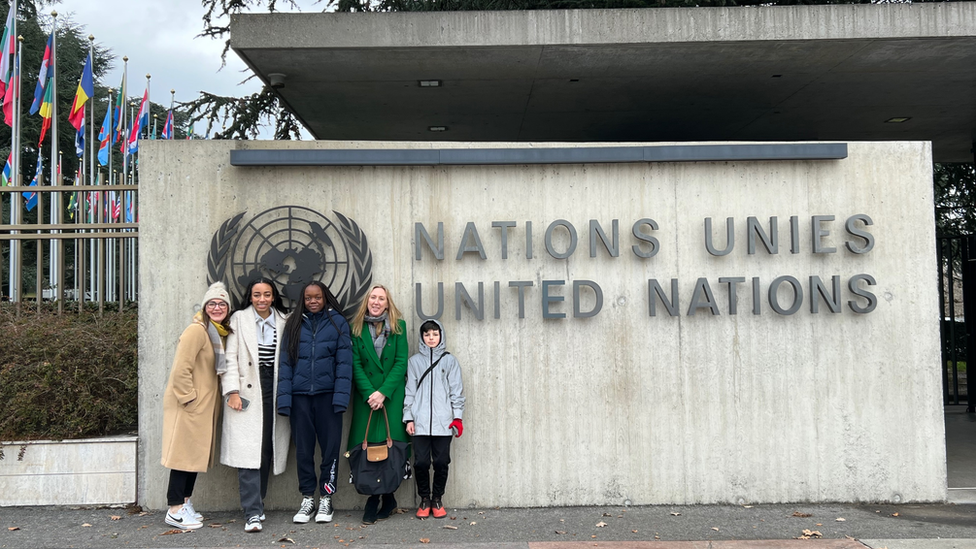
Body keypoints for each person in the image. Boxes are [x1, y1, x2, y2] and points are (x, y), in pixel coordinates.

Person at [277, 281, 353, 525]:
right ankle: (308, 498)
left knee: (330, 450)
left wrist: (341, 398)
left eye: (317, 297)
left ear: (325, 298)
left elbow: (344, 364)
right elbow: (285, 363)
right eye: (308, 298)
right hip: (300, 398)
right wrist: (284, 400)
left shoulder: (338, 323)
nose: (312, 301)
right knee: (303, 451)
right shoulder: (294, 324)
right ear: (303, 299)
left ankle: (326, 499)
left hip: (328, 397)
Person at [220, 278, 290, 533]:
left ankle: (257, 504)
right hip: (247, 387)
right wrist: (232, 391)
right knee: (247, 452)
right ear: (250, 296)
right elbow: (229, 359)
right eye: (257, 294)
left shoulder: (284, 320)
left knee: (265, 449)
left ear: (273, 297)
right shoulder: (238, 319)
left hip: (274, 388)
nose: (262, 299)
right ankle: (252, 513)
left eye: (267, 294)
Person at [160, 281, 232, 530]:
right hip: (190, 405)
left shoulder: (214, 332)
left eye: (222, 304)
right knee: (183, 458)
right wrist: (189, 398)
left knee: (193, 458)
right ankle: (174, 509)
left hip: (201, 406)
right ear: (204, 306)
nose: (217, 307)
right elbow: (181, 368)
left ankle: (185, 502)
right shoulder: (197, 331)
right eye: (212, 303)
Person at [347, 284, 409, 524]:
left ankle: (389, 496)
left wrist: (383, 392)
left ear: (387, 303)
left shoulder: (399, 327)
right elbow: (356, 365)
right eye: (373, 297)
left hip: (391, 397)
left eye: (381, 298)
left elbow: (401, 362)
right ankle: (373, 498)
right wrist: (370, 393)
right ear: (367, 301)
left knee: (391, 446)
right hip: (367, 399)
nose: (376, 301)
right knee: (369, 446)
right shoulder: (356, 329)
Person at [403, 319, 465, 519]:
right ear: (422, 337)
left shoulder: (449, 361)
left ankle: (437, 498)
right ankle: (424, 499)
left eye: (435, 334)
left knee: (441, 462)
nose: (431, 338)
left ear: (441, 335)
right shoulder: (414, 362)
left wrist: (457, 418)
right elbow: (409, 392)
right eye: (427, 334)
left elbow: (457, 392)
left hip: (443, 422)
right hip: (419, 422)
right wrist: (408, 418)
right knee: (420, 463)